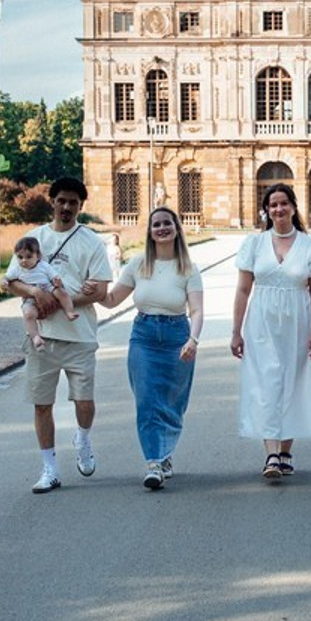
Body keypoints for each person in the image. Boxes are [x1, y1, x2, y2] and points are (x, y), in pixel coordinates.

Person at [1, 177, 111, 495]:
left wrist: (62, 301)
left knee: (85, 401)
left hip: (79, 334)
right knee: (41, 404)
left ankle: (83, 437)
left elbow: (101, 289)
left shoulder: (90, 242)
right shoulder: (34, 238)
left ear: (81, 206)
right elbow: (9, 281)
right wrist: (36, 291)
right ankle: (49, 468)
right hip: (42, 337)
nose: (66, 207)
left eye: (73, 202)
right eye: (61, 200)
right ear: (52, 201)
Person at [230, 183, 311, 482]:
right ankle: (271, 452)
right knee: (266, 383)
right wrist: (236, 331)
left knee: (292, 382)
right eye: (273, 205)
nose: (278, 209)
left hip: (298, 321)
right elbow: (243, 289)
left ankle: (285, 449)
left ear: (293, 206)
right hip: (261, 321)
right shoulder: (254, 243)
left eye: (284, 203)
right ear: (266, 209)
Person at [104, 207, 204, 491]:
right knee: (147, 399)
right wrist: (93, 289)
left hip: (177, 336)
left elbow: (196, 310)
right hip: (144, 336)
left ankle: (164, 453)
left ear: (176, 228)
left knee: (173, 402)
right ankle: (154, 462)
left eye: (167, 223)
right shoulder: (137, 264)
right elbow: (111, 300)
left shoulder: (188, 268)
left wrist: (193, 340)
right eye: (156, 224)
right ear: (149, 231)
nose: (161, 228)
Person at [4, 235, 79, 349]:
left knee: (62, 293)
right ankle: (35, 337)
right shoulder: (17, 270)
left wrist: (57, 282)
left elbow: (54, 276)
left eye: (29, 257)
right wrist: (3, 282)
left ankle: (69, 311)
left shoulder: (44, 266)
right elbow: (7, 278)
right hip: (29, 296)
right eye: (20, 257)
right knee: (28, 314)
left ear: (38, 256)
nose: (24, 260)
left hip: (47, 287)